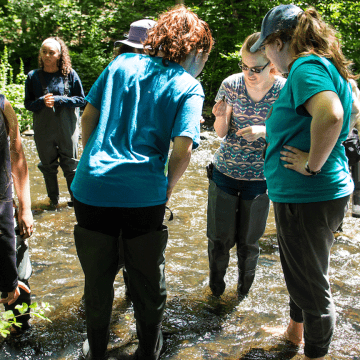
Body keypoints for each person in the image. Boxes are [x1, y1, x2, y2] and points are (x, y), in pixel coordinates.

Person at [71, 6, 213, 360]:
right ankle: (149, 349)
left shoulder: (119, 65)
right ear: (194, 50)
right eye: (204, 55)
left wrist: (93, 160)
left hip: (91, 189)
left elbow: (88, 117)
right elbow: (182, 150)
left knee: (98, 276)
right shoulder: (188, 86)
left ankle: (98, 350)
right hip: (144, 196)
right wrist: (165, 190)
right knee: (148, 278)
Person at [250, 5, 356, 359]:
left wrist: (311, 165)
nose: (266, 54)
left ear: (279, 41)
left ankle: (316, 353)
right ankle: (295, 334)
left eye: (266, 46)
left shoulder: (305, 67)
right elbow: (344, 111)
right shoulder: (323, 64)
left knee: (311, 285)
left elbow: (332, 114)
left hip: (309, 193)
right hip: (317, 194)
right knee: (304, 271)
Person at [207, 32, 285, 298]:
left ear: (272, 65)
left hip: (261, 177)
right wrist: (219, 117)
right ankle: (215, 293)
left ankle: (243, 295)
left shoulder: (283, 90)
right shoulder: (230, 85)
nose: (249, 73)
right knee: (219, 241)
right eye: (244, 66)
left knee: (249, 244)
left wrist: (263, 130)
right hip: (225, 172)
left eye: (256, 68)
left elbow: (289, 134)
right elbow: (220, 132)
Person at [24, 37, 86, 207]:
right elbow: (28, 104)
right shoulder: (33, 77)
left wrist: (59, 99)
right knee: (47, 167)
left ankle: (76, 202)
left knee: (71, 166)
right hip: (43, 129)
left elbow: (82, 100)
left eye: (51, 52)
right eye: (44, 51)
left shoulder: (70, 74)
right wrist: (41, 101)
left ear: (60, 55)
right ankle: (53, 202)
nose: (47, 55)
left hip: (67, 128)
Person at [0, 94, 33, 333]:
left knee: (19, 276)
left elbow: (17, 155)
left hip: (5, 209)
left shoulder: (3, 106)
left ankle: (18, 333)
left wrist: (26, 208)